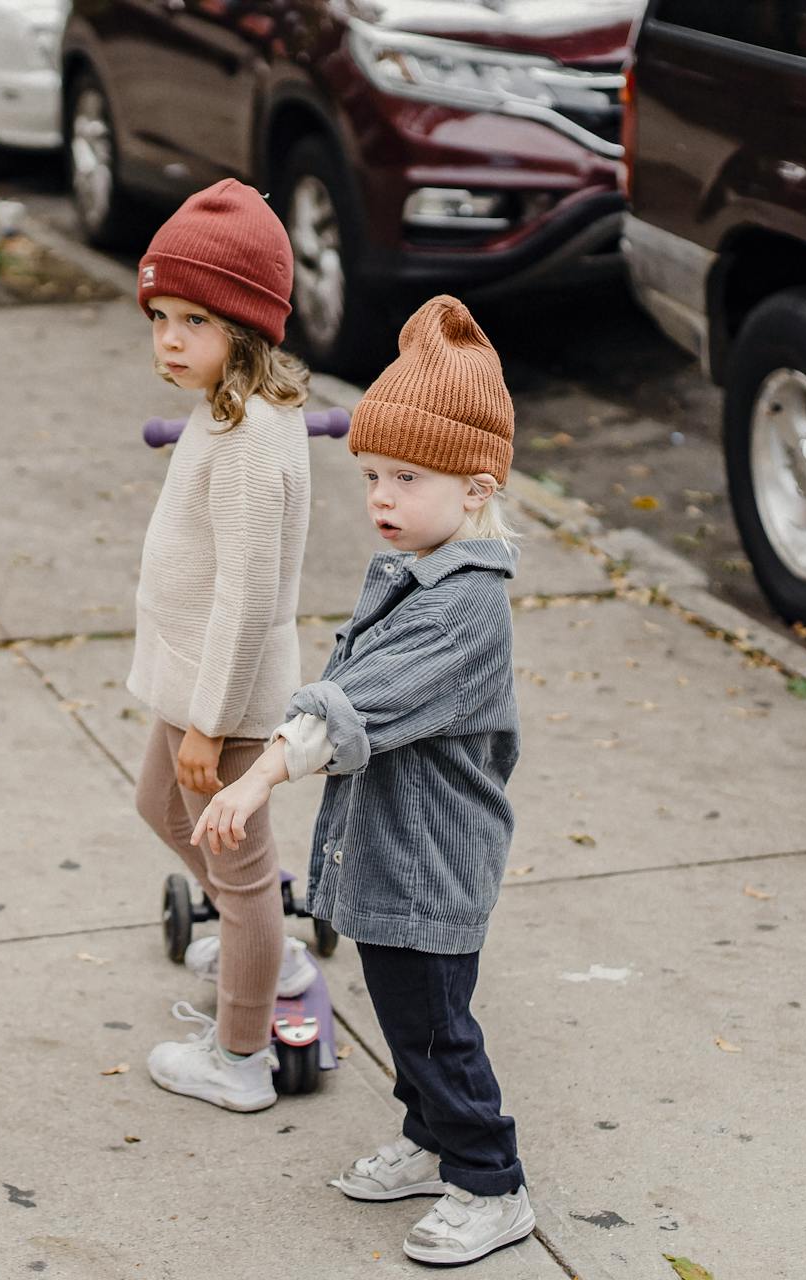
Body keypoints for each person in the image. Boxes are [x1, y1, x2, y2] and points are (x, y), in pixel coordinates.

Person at [191, 296, 536, 1264]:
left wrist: (254, 780)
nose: (381, 495)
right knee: (405, 1012)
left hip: (429, 862)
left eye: (407, 476)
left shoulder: (464, 607)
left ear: (476, 487)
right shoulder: (415, 566)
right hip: (392, 851)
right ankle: (430, 1140)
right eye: (374, 474)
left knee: (433, 1027)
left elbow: (351, 707)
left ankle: (490, 1177)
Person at [125, 179, 314, 1113]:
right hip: (192, 679)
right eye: (159, 315)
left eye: (193, 319)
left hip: (224, 697)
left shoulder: (248, 444)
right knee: (162, 807)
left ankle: (241, 1056)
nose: (167, 338)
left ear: (244, 328)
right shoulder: (227, 414)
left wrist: (207, 725)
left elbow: (246, 598)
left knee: (237, 873)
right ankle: (259, 936)